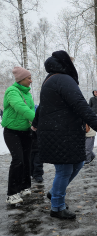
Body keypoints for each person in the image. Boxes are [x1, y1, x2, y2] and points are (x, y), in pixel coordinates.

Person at [32, 50, 97, 219]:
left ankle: (54, 192)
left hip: (60, 131)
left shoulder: (50, 80)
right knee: (65, 170)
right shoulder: (63, 79)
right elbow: (80, 104)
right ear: (66, 64)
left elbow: (44, 106)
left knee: (78, 163)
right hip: (62, 133)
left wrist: (36, 125)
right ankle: (57, 207)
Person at [2, 67, 35, 205]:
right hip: (12, 132)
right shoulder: (12, 91)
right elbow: (20, 107)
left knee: (27, 159)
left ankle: (25, 186)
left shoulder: (27, 93)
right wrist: (37, 120)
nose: (31, 81)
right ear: (21, 79)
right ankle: (12, 194)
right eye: (29, 78)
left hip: (25, 131)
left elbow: (32, 109)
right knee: (18, 160)